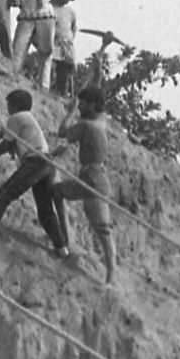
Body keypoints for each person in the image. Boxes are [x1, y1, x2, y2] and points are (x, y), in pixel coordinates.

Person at [0, 88, 68, 257]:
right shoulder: (27, 119)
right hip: (47, 163)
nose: (7, 108)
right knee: (45, 209)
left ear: (15, 105)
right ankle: (61, 247)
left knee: (4, 193)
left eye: (9, 105)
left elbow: (6, 143)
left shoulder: (16, 118)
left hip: (35, 162)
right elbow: (2, 133)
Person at [52, 85, 118, 284]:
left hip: (94, 181)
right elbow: (98, 93)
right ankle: (66, 240)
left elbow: (62, 132)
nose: (80, 106)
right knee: (56, 192)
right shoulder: (101, 120)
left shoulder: (87, 125)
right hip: (92, 176)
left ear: (93, 105)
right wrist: (96, 74)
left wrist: (69, 112)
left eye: (83, 103)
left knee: (103, 230)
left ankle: (111, 277)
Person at [50, 0, 80, 94]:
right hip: (53, 44)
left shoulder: (70, 12)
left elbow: (73, 29)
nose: (66, 0)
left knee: (64, 74)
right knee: (51, 70)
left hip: (66, 44)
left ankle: (62, 95)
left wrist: (69, 40)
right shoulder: (49, 8)